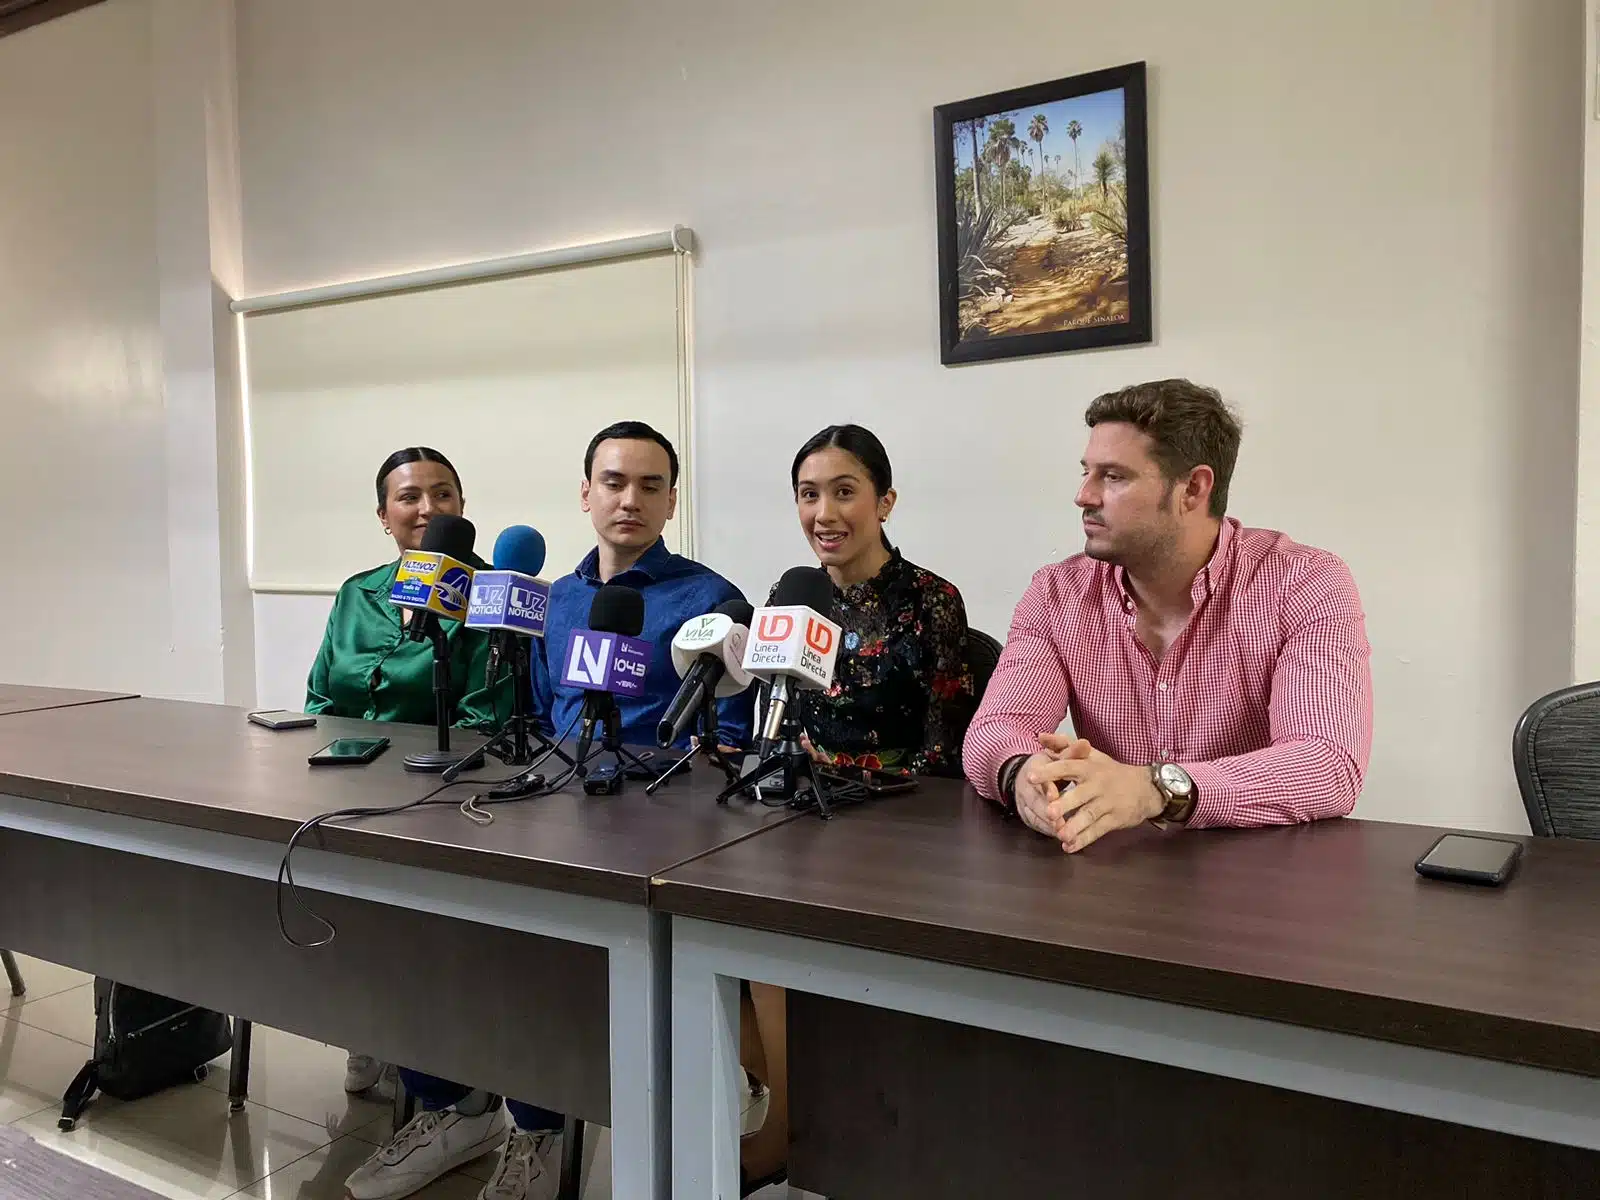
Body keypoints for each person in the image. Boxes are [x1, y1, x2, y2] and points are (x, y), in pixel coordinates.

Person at [344, 422, 762, 1200]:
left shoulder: (710, 600)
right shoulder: (553, 600)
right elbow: (535, 717)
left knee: (553, 959)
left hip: (659, 829)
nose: (629, 500)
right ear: (585, 493)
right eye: (612, 482)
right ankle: (475, 1109)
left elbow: (727, 742)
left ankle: (556, 1121)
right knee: (445, 919)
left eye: (648, 485)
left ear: (673, 499)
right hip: (557, 808)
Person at [964, 379, 1373, 852]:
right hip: (1117, 877)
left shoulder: (1303, 582)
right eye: (1086, 472)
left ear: (1194, 489)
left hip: (1258, 883)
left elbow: (1326, 765)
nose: (1084, 495)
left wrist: (1155, 789)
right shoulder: (1058, 593)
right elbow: (995, 729)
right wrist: (1024, 775)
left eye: (1113, 476)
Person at [305, 447, 510, 1103]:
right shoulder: (355, 593)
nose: (428, 508)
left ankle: (437, 1066)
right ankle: (369, 1021)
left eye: (443, 494)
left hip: (440, 799)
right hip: (346, 789)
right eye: (410, 496)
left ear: (461, 507)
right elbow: (319, 699)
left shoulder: (486, 594)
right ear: (383, 515)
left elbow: (485, 720)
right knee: (319, 891)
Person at [782, 423, 975, 775]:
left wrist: (853, 782)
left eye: (843, 492)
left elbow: (944, 756)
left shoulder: (932, 600)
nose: (823, 514)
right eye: (809, 495)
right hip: (809, 807)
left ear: (884, 502)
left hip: (902, 814)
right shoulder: (793, 598)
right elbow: (777, 727)